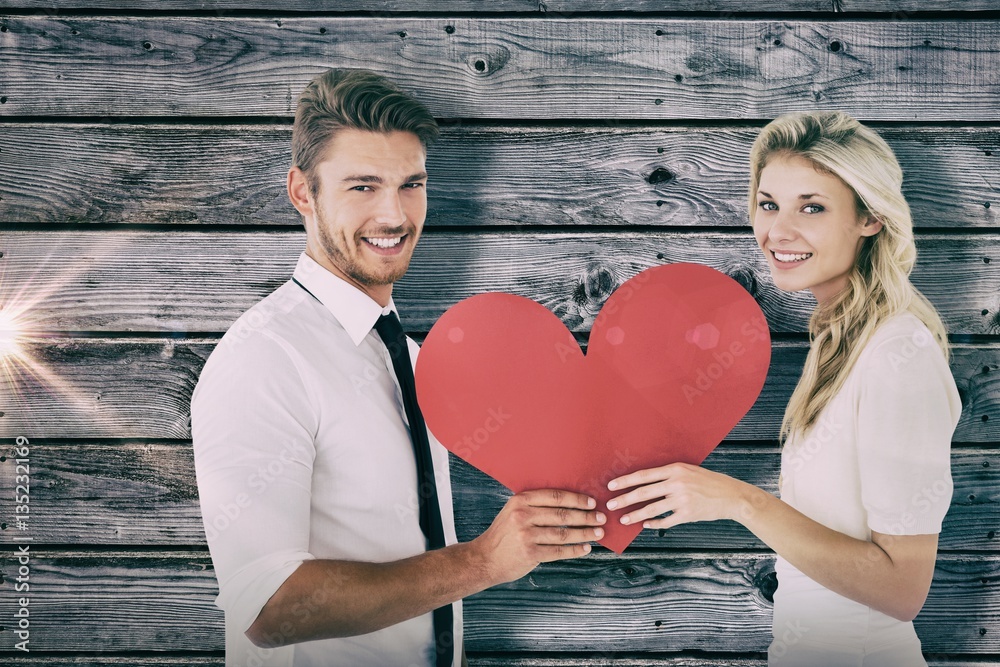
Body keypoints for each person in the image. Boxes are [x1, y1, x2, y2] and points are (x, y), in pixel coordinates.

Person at [191, 68, 606, 667]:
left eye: (411, 184)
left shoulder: (405, 355)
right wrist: (485, 560)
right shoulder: (263, 359)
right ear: (303, 193)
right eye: (363, 186)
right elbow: (268, 607)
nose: (395, 215)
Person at [605, 111, 960, 665]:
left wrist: (739, 500)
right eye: (769, 204)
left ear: (870, 218)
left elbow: (901, 590)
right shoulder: (839, 339)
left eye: (811, 207)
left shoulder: (897, 355)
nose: (778, 231)